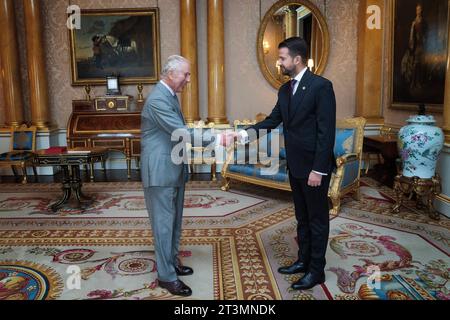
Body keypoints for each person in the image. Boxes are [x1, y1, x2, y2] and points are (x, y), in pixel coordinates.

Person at [237, 37, 336, 290]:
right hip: (295, 164)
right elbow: (272, 121)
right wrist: (243, 134)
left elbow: (327, 133)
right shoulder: (284, 90)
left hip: (314, 168)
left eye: (281, 58)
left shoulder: (321, 86)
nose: (278, 63)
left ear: (297, 59)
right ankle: (302, 261)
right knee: (302, 217)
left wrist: (318, 169)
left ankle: (317, 271)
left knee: (317, 220)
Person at [141, 55, 217, 297]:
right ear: (170, 74)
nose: (188, 79)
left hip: (172, 169)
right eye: (185, 74)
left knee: (173, 223)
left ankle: (171, 262)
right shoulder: (157, 100)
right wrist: (217, 138)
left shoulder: (169, 96)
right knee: (163, 225)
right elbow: (182, 133)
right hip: (160, 172)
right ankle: (166, 276)